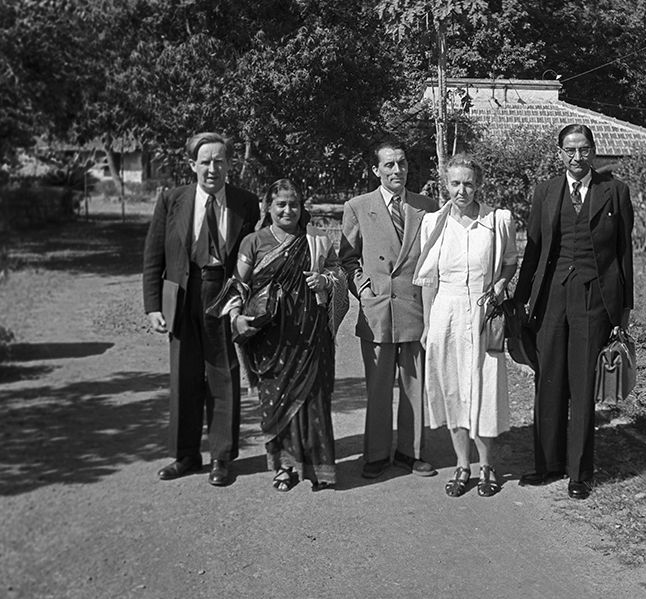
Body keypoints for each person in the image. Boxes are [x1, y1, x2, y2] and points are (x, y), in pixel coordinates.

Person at [514, 124, 634, 500]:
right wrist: (520, 301)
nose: (577, 157)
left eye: (583, 150)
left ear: (593, 151)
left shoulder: (614, 191)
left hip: (594, 299)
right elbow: (533, 250)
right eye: (569, 150)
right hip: (552, 296)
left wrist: (622, 314)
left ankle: (579, 473)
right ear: (560, 153)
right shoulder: (547, 191)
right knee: (548, 379)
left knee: (582, 383)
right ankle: (547, 464)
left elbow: (625, 253)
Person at [209, 179, 347, 492]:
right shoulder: (253, 242)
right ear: (268, 207)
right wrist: (235, 317)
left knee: (314, 400)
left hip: (310, 335)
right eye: (281, 204)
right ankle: (283, 467)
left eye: (294, 204)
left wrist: (325, 281)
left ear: (302, 208)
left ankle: (316, 468)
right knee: (275, 402)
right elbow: (238, 284)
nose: (288, 210)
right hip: (270, 338)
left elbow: (339, 274)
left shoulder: (317, 240)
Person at [142, 132, 260, 486]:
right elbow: (153, 257)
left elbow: (256, 258)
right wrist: (152, 307)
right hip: (183, 295)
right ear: (193, 165)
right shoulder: (172, 200)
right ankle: (186, 455)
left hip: (225, 295)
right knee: (184, 377)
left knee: (223, 375)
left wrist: (249, 305)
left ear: (229, 164)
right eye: (205, 161)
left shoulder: (246, 203)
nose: (213, 168)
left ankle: (221, 458)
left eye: (219, 160)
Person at [413, 153, 518, 497]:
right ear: (446, 184)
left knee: (484, 389)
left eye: (469, 183)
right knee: (453, 390)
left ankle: (487, 466)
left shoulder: (498, 221)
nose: (462, 191)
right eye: (455, 183)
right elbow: (428, 280)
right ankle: (463, 465)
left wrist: (501, 283)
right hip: (447, 312)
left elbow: (509, 262)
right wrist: (429, 325)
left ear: (479, 184)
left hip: (483, 312)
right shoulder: (433, 223)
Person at [339, 135, 439, 479]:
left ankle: (410, 452)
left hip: (415, 309)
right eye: (390, 164)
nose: (398, 170)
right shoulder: (357, 206)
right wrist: (364, 290)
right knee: (378, 389)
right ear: (376, 170)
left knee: (415, 386)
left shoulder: (427, 206)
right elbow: (347, 259)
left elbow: (437, 258)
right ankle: (377, 453)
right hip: (377, 310)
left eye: (402, 163)